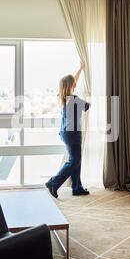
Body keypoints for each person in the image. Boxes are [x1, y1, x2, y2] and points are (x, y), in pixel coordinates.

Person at [45, 62, 90, 198]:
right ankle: (53, 182)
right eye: (74, 84)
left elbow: (72, 81)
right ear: (71, 86)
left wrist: (80, 69)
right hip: (72, 134)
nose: (75, 84)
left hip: (65, 133)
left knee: (76, 159)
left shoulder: (62, 97)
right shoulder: (75, 99)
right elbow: (87, 106)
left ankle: (77, 187)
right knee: (74, 161)